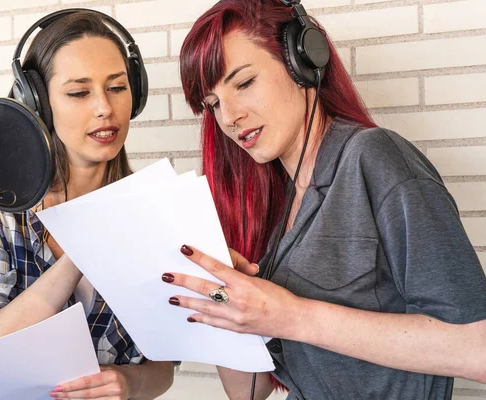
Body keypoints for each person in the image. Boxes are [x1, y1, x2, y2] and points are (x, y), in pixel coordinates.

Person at [162, 0, 486, 399]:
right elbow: (248, 392)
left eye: (244, 83)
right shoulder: (275, 204)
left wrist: (291, 316)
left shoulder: (374, 158)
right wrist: (224, 297)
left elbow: (478, 348)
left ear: (303, 62)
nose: (229, 117)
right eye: (213, 105)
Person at [0, 9, 174, 400]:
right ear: (38, 103)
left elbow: (164, 365)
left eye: (117, 87)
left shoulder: (154, 211)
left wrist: (130, 383)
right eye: (79, 92)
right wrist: (85, 250)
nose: (104, 107)